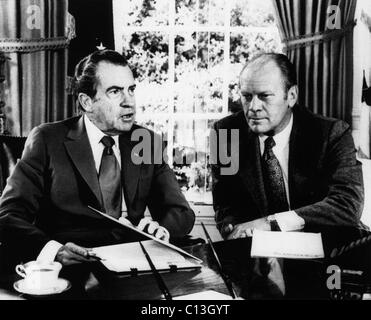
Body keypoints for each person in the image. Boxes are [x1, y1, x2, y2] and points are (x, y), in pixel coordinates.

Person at [0, 50, 195, 267]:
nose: (129, 102)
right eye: (115, 91)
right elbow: (8, 215)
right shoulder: (47, 140)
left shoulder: (146, 141)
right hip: (71, 268)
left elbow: (181, 211)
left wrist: (162, 229)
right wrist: (55, 251)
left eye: (131, 90)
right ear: (86, 102)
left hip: (131, 266)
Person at [211, 53, 364, 240]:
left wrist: (272, 223)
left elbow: (347, 204)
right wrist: (235, 230)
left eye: (264, 96)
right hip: (259, 252)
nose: (253, 107)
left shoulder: (332, 133)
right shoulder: (225, 134)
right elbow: (225, 204)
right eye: (247, 96)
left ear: (291, 96)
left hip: (329, 248)